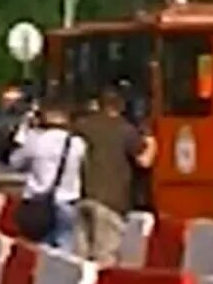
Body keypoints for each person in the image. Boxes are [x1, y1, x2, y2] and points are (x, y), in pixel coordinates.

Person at [72, 87, 140, 263]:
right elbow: (144, 160)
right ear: (121, 106)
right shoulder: (125, 129)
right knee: (105, 256)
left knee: (82, 257)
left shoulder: (82, 126)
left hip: (84, 196)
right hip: (112, 201)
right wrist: (153, 142)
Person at [9, 101, 86, 250]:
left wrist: (26, 131)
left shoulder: (36, 140)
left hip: (36, 201)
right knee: (64, 246)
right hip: (67, 200)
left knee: (35, 248)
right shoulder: (77, 143)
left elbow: (15, 162)